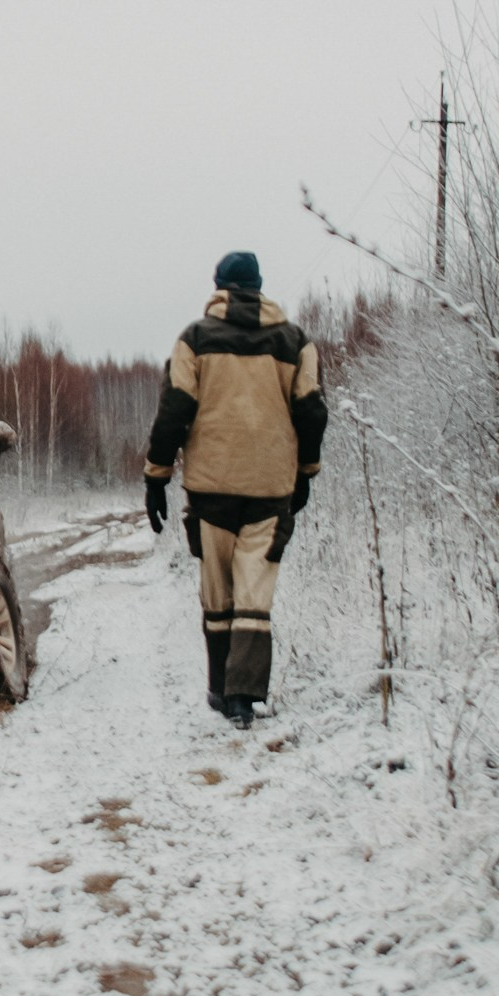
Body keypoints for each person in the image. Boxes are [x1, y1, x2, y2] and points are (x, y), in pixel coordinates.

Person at [143, 251, 326, 725]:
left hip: (210, 490)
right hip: (270, 487)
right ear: (259, 286)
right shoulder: (296, 342)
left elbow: (174, 411)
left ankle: (221, 690)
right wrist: (306, 470)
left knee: (218, 591)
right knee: (254, 592)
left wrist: (156, 476)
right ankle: (244, 696)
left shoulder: (195, 340)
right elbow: (311, 411)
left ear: (220, 287)